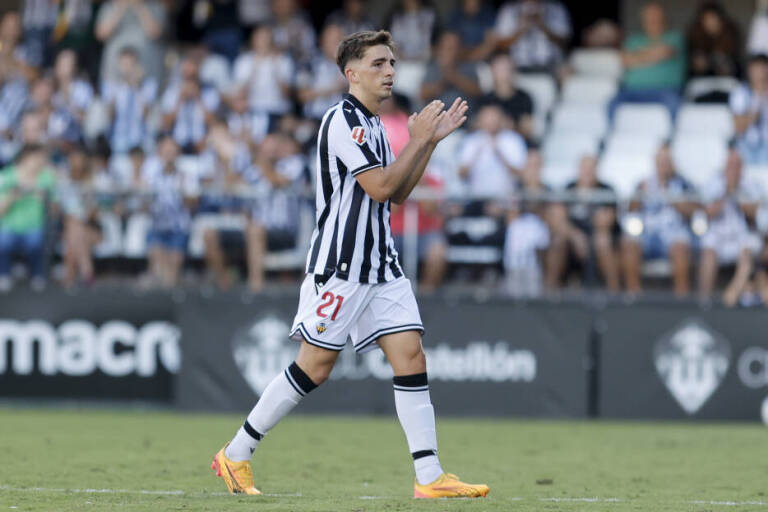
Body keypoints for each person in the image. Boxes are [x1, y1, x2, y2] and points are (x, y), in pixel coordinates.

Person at [211, 29, 488, 499]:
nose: (390, 72)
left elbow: (396, 194)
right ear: (351, 73)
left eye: (392, 63)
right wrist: (415, 141)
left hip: (380, 264)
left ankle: (429, 477)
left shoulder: (375, 124)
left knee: (411, 355)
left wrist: (427, 144)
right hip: (342, 266)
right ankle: (235, 454)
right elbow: (380, 187)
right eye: (379, 64)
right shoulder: (344, 120)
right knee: (314, 367)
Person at [620, 144, 696, 297]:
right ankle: (634, 297)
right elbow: (629, 209)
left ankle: (681, 299)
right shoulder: (644, 183)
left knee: (680, 248)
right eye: (660, 161)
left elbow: (694, 211)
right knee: (629, 244)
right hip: (647, 233)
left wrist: (673, 198)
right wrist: (641, 195)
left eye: (666, 161)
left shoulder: (684, 184)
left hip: (673, 234)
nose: (663, 165)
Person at [547, 155, 621, 292]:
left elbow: (607, 220)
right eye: (584, 168)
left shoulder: (606, 190)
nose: (588, 172)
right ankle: (550, 293)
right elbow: (557, 219)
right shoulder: (569, 188)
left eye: (591, 169)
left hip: (598, 239)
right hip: (572, 241)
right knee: (558, 240)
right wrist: (575, 236)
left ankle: (614, 292)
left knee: (602, 240)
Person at [699, 149, 763, 305]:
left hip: (742, 235)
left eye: (737, 166)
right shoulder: (715, 183)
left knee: (746, 253)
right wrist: (726, 192)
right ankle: (703, 301)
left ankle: (730, 297)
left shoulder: (751, 185)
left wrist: (737, 193)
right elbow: (708, 212)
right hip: (718, 234)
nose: (734, 169)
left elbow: (754, 212)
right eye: (730, 165)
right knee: (709, 251)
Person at [608, 2, 684, 119]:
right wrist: (652, 55)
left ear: (664, 17)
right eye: (649, 16)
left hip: (665, 91)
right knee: (611, 104)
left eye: (656, 16)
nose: (653, 20)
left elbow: (664, 52)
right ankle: (611, 135)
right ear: (643, 19)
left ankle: (670, 137)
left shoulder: (675, 37)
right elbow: (625, 61)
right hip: (632, 91)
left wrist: (637, 57)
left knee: (674, 103)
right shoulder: (633, 40)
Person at [0, 143, 55, 292]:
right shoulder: (6, 176)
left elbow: (55, 210)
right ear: (26, 158)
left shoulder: (47, 178)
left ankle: (37, 274)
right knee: (4, 241)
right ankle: (3, 273)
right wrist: (13, 196)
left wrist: (45, 199)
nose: (40, 162)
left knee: (36, 242)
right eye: (37, 158)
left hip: (35, 225)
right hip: (8, 225)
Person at [456, 103, 527, 214]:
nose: (491, 121)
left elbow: (521, 173)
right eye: (487, 116)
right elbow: (461, 174)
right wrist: (476, 153)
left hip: (505, 202)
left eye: (494, 116)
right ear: (480, 119)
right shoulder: (471, 141)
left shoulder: (513, 140)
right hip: (476, 200)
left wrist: (500, 154)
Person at [101, 46, 157, 154]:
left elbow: (146, 115)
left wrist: (136, 85)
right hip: (117, 141)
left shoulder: (148, 86)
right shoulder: (111, 86)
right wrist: (121, 86)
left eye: (131, 64)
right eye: (124, 64)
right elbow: (110, 116)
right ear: (118, 65)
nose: (127, 68)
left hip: (142, 142)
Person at [95, 0, 167, 85]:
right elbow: (101, 34)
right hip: (115, 64)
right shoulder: (109, 6)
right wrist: (120, 8)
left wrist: (140, 6)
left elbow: (155, 33)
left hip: (146, 64)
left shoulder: (156, 6)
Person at [232, 25, 294, 119]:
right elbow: (240, 96)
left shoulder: (283, 60)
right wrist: (255, 67)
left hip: (278, 110)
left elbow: (286, 94)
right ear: (253, 40)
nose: (264, 42)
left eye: (267, 38)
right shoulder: (243, 61)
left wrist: (275, 66)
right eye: (260, 38)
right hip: (252, 111)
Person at [494, 0, 571, 72]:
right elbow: (500, 45)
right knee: (501, 65)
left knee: (567, 69)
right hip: (517, 67)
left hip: (552, 66)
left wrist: (543, 26)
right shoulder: (510, 9)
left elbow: (565, 42)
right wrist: (520, 30)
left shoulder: (556, 8)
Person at [420, 31, 483, 112]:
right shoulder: (433, 66)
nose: (448, 51)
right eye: (445, 47)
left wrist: (453, 76)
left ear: (460, 49)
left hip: (464, 115)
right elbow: (423, 94)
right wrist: (442, 81)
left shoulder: (468, 66)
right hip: (438, 116)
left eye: (452, 48)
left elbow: (477, 92)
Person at [479, 52, 534, 141]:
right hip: (489, 144)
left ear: (514, 71)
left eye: (507, 68)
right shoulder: (485, 99)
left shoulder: (524, 98)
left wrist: (512, 127)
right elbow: (477, 127)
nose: (504, 73)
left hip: (517, 142)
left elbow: (528, 130)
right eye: (499, 69)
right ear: (492, 71)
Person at [297, 24, 347, 122]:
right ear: (322, 42)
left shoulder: (351, 65)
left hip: (342, 120)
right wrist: (334, 88)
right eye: (332, 41)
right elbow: (302, 95)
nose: (336, 45)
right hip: (315, 118)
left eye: (339, 40)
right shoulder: (309, 63)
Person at [686, 2, 740, 80]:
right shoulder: (695, 35)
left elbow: (732, 64)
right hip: (702, 79)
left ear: (721, 19)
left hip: (727, 79)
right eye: (706, 19)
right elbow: (694, 63)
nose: (710, 22)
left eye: (713, 18)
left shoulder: (731, 33)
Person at [730, 54, 768, 164]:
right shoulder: (741, 92)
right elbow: (739, 127)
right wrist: (758, 100)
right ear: (750, 71)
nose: (761, 73)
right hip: (747, 145)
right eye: (757, 69)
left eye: (763, 69)